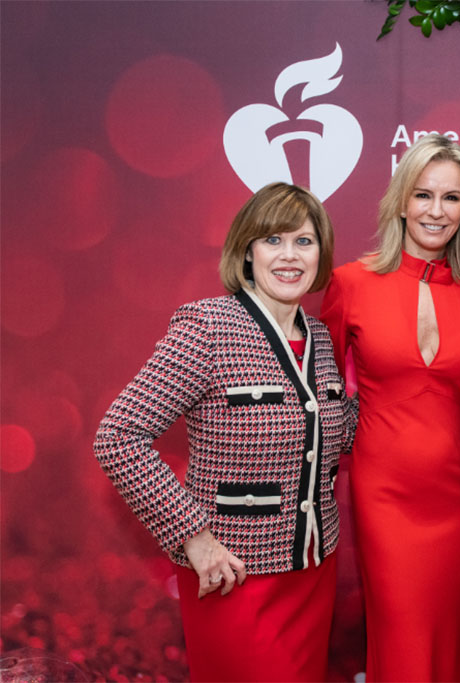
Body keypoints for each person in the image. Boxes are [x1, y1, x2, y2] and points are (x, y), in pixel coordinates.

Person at [94, 182, 357, 682]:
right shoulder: (208, 327)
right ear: (246, 251)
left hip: (312, 575)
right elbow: (118, 437)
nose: (289, 255)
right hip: (233, 575)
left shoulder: (321, 337)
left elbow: (337, 439)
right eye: (273, 240)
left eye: (304, 241)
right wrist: (193, 537)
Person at [321, 134, 460, 681]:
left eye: (451, 198)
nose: (436, 211)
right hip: (385, 492)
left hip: (459, 495)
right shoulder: (351, 282)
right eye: (424, 195)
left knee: (451, 632)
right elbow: (318, 388)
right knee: (401, 634)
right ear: (401, 199)